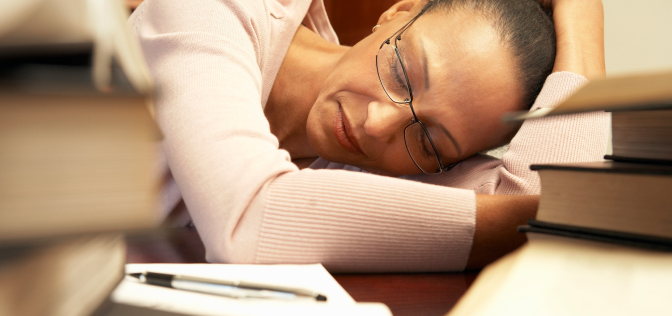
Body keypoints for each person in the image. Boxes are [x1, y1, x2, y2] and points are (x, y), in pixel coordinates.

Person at [130, 0, 607, 271]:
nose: (379, 125)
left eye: (428, 142)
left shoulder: (359, 162)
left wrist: (584, 49)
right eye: (402, 71)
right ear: (398, 12)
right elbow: (248, 222)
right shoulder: (212, 11)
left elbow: (550, 201)